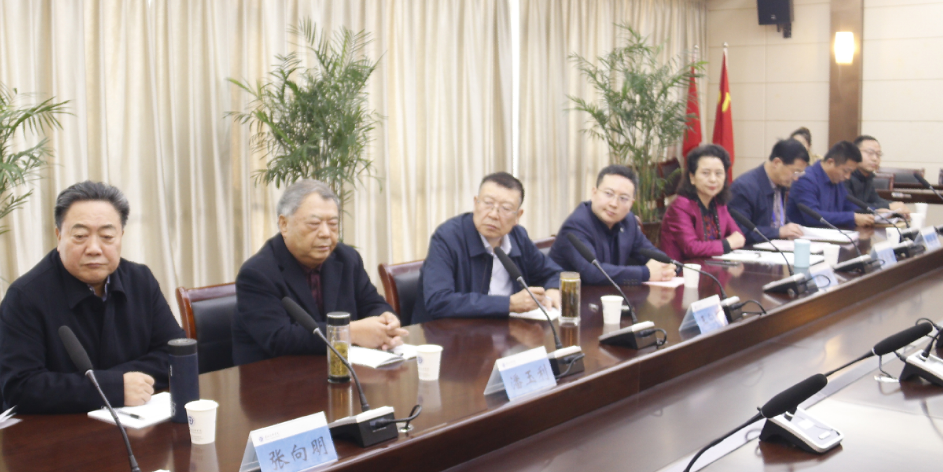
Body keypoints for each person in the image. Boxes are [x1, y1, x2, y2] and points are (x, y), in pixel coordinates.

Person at [0, 182, 184, 413]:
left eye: (107, 236)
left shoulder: (141, 280)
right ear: (59, 236)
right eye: (80, 236)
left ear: (121, 236)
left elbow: (176, 355)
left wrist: (115, 383)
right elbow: (21, 387)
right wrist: (113, 387)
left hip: (137, 422)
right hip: (55, 429)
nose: (94, 248)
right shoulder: (25, 297)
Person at [232, 179, 406, 365]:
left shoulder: (347, 259)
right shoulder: (257, 274)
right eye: (314, 223)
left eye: (333, 224)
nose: (325, 233)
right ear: (284, 224)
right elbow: (280, 338)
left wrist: (386, 321)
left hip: (340, 371)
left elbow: (373, 303)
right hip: (276, 376)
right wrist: (348, 332)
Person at [412, 172, 562, 322]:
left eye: (505, 208)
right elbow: (439, 301)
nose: (493, 215)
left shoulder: (518, 237)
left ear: (518, 216)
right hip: (453, 331)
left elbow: (553, 273)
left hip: (508, 328)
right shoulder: (448, 237)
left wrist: (553, 289)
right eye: (488, 203)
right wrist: (509, 304)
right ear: (476, 203)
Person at [550, 165, 677, 285]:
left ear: (631, 203)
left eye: (623, 198)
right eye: (608, 194)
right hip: (571, 297)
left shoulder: (628, 222)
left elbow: (649, 253)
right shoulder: (576, 225)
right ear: (594, 193)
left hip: (610, 295)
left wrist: (667, 267)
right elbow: (593, 272)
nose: (614, 204)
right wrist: (646, 273)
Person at [658, 144, 745, 261]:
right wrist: (727, 244)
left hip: (712, 267)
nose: (713, 179)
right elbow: (691, 248)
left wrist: (732, 241)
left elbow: (738, 237)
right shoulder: (680, 206)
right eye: (705, 173)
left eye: (718, 173)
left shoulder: (718, 203)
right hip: (681, 269)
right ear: (692, 177)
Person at [729, 138, 810, 241]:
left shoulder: (780, 184)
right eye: (794, 172)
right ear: (777, 163)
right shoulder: (744, 187)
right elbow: (740, 232)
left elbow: (778, 221)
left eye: (799, 174)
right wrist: (778, 232)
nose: (796, 178)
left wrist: (792, 229)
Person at [786, 141, 877, 229]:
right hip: (804, 236)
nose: (848, 177)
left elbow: (848, 205)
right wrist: (852, 218)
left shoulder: (837, 179)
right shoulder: (805, 179)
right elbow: (813, 217)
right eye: (846, 171)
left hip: (831, 234)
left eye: (851, 172)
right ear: (830, 162)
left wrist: (874, 212)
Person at [847, 135, 910, 216]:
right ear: (854, 153)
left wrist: (897, 207)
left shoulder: (867, 177)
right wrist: (889, 206)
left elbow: (876, 200)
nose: (875, 158)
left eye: (878, 154)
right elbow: (850, 207)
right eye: (870, 153)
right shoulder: (844, 176)